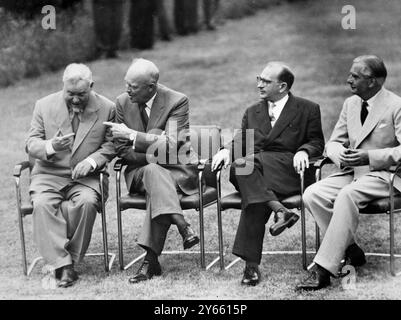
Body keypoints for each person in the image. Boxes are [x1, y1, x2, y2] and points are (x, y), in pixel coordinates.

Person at [212, 61, 324, 286]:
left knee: (244, 170)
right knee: (245, 173)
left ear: (282, 86)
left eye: (265, 81)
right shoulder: (252, 111)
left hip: (290, 170)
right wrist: (226, 150)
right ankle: (280, 211)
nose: (259, 85)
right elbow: (242, 140)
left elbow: (316, 142)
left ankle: (250, 266)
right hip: (258, 171)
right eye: (258, 79)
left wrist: (304, 151)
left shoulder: (308, 108)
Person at [296, 55, 401, 291]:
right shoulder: (350, 104)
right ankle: (351, 249)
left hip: (386, 175)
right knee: (312, 193)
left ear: (372, 81)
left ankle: (323, 269)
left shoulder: (396, 105)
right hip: (354, 173)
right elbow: (334, 142)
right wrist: (339, 154)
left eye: (355, 76)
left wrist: (370, 157)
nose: (348, 80)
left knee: (347, 195)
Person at [106, 58, 200, 284]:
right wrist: (154, 153)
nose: (127, 90)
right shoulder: (121, 102)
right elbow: (121, 150)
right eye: (126, 84)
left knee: (155, 179)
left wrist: (131, 136)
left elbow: (171, 145)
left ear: (151, 87)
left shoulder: (177, 101)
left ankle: (150, 260)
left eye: (133, 86)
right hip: (138, 173)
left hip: (176, 173)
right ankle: (183, 226)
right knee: (153, 171)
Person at [27, 63, 116, 288]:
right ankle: (63, 265)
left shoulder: (107, 108)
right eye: (70, 94)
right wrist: (50, 146)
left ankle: (70, 260)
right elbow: (31, 143)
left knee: (87, 202)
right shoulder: (43, 105)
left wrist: (92, 161)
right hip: (48, 175)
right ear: (63, 86)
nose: (75, 99)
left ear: (91, 87)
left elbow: (113, 144)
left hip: (86, 178)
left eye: (81, 94)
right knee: (42, 204)